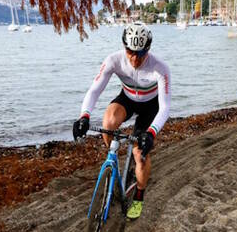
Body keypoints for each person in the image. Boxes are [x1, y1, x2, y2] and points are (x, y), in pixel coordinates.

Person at [73, 22, 171, 219]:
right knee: (107, 123)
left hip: (150, 107)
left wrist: (151, 133)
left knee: (139, 154)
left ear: (148, 49)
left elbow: (165, 107)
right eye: (130, 52)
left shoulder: (160, 68)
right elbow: (94, 90)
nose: (135, 59)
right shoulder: (114, 60)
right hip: (127, 99)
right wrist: (84, 116)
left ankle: (139, 195)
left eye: (141, 53)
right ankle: (114, 161)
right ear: (124, 46)